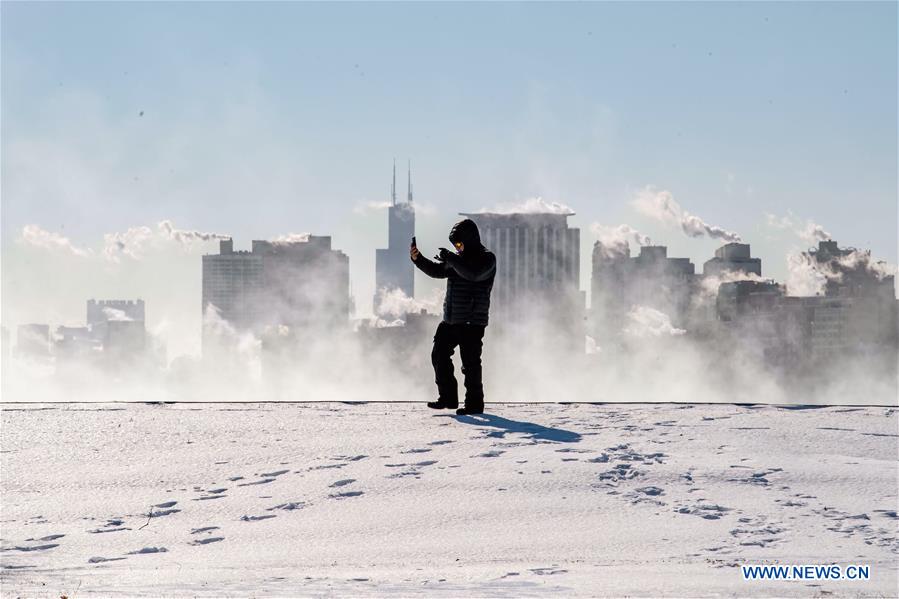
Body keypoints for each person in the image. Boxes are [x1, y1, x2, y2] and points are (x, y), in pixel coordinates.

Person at [410, 218, 496, 415]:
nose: (457, 247)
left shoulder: (487, 258)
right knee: (439, 355)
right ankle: (448, 398)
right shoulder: (458, 259)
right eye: (455, 245)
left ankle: (474, 405)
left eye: (459, 243)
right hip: (450, 320)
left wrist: (452, 258)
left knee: (470, 364)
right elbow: (436, 271)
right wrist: (418, 259)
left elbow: (474, 274)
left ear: (470, 239)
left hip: (472, 322)